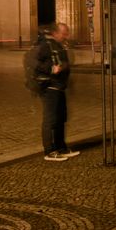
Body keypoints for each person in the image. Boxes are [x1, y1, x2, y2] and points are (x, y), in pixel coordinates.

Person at [36, 22, 79, 162]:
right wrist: (51, 69)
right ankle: (49, 151)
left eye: (67, 33)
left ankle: (61, 147)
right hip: (50, 87)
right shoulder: (45, 45)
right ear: (55, 33)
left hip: (60, 87)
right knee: (51, 120)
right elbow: (34, 63)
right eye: (64, 33)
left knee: (61, 118)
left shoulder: (60, 45)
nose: (66, 36)